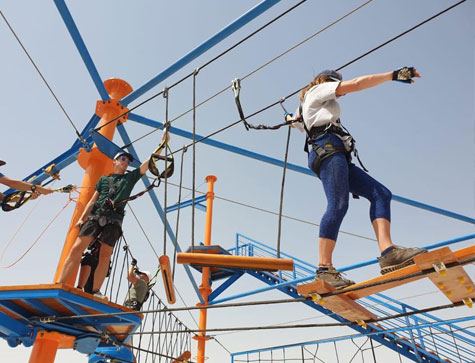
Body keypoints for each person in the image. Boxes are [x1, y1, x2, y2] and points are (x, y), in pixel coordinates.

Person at [286, 67, 427, 289]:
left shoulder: (306, 106)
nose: (341, 91)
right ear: (328, 81)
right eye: (338, 85)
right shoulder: (319, 90)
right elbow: (359, 83)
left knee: (381, 194)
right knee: (338, 204)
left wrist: (288, 117)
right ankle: (324, 269)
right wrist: (391, 75)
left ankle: (388, 252)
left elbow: (295, 122)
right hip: (328, 149)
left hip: (333, 152)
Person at [56, 131, 169, 297]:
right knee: (76, 249)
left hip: (114, 219)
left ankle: (95, 291)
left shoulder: (130, 178)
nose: (126, 162)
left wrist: (162, 145)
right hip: (96, 216)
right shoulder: (103, 180)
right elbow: (92, 201)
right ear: (115, 161)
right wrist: (82, 218)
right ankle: (60, 283)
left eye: (128, 161)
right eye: (123, 159)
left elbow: (147, 163)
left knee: (105, 255)